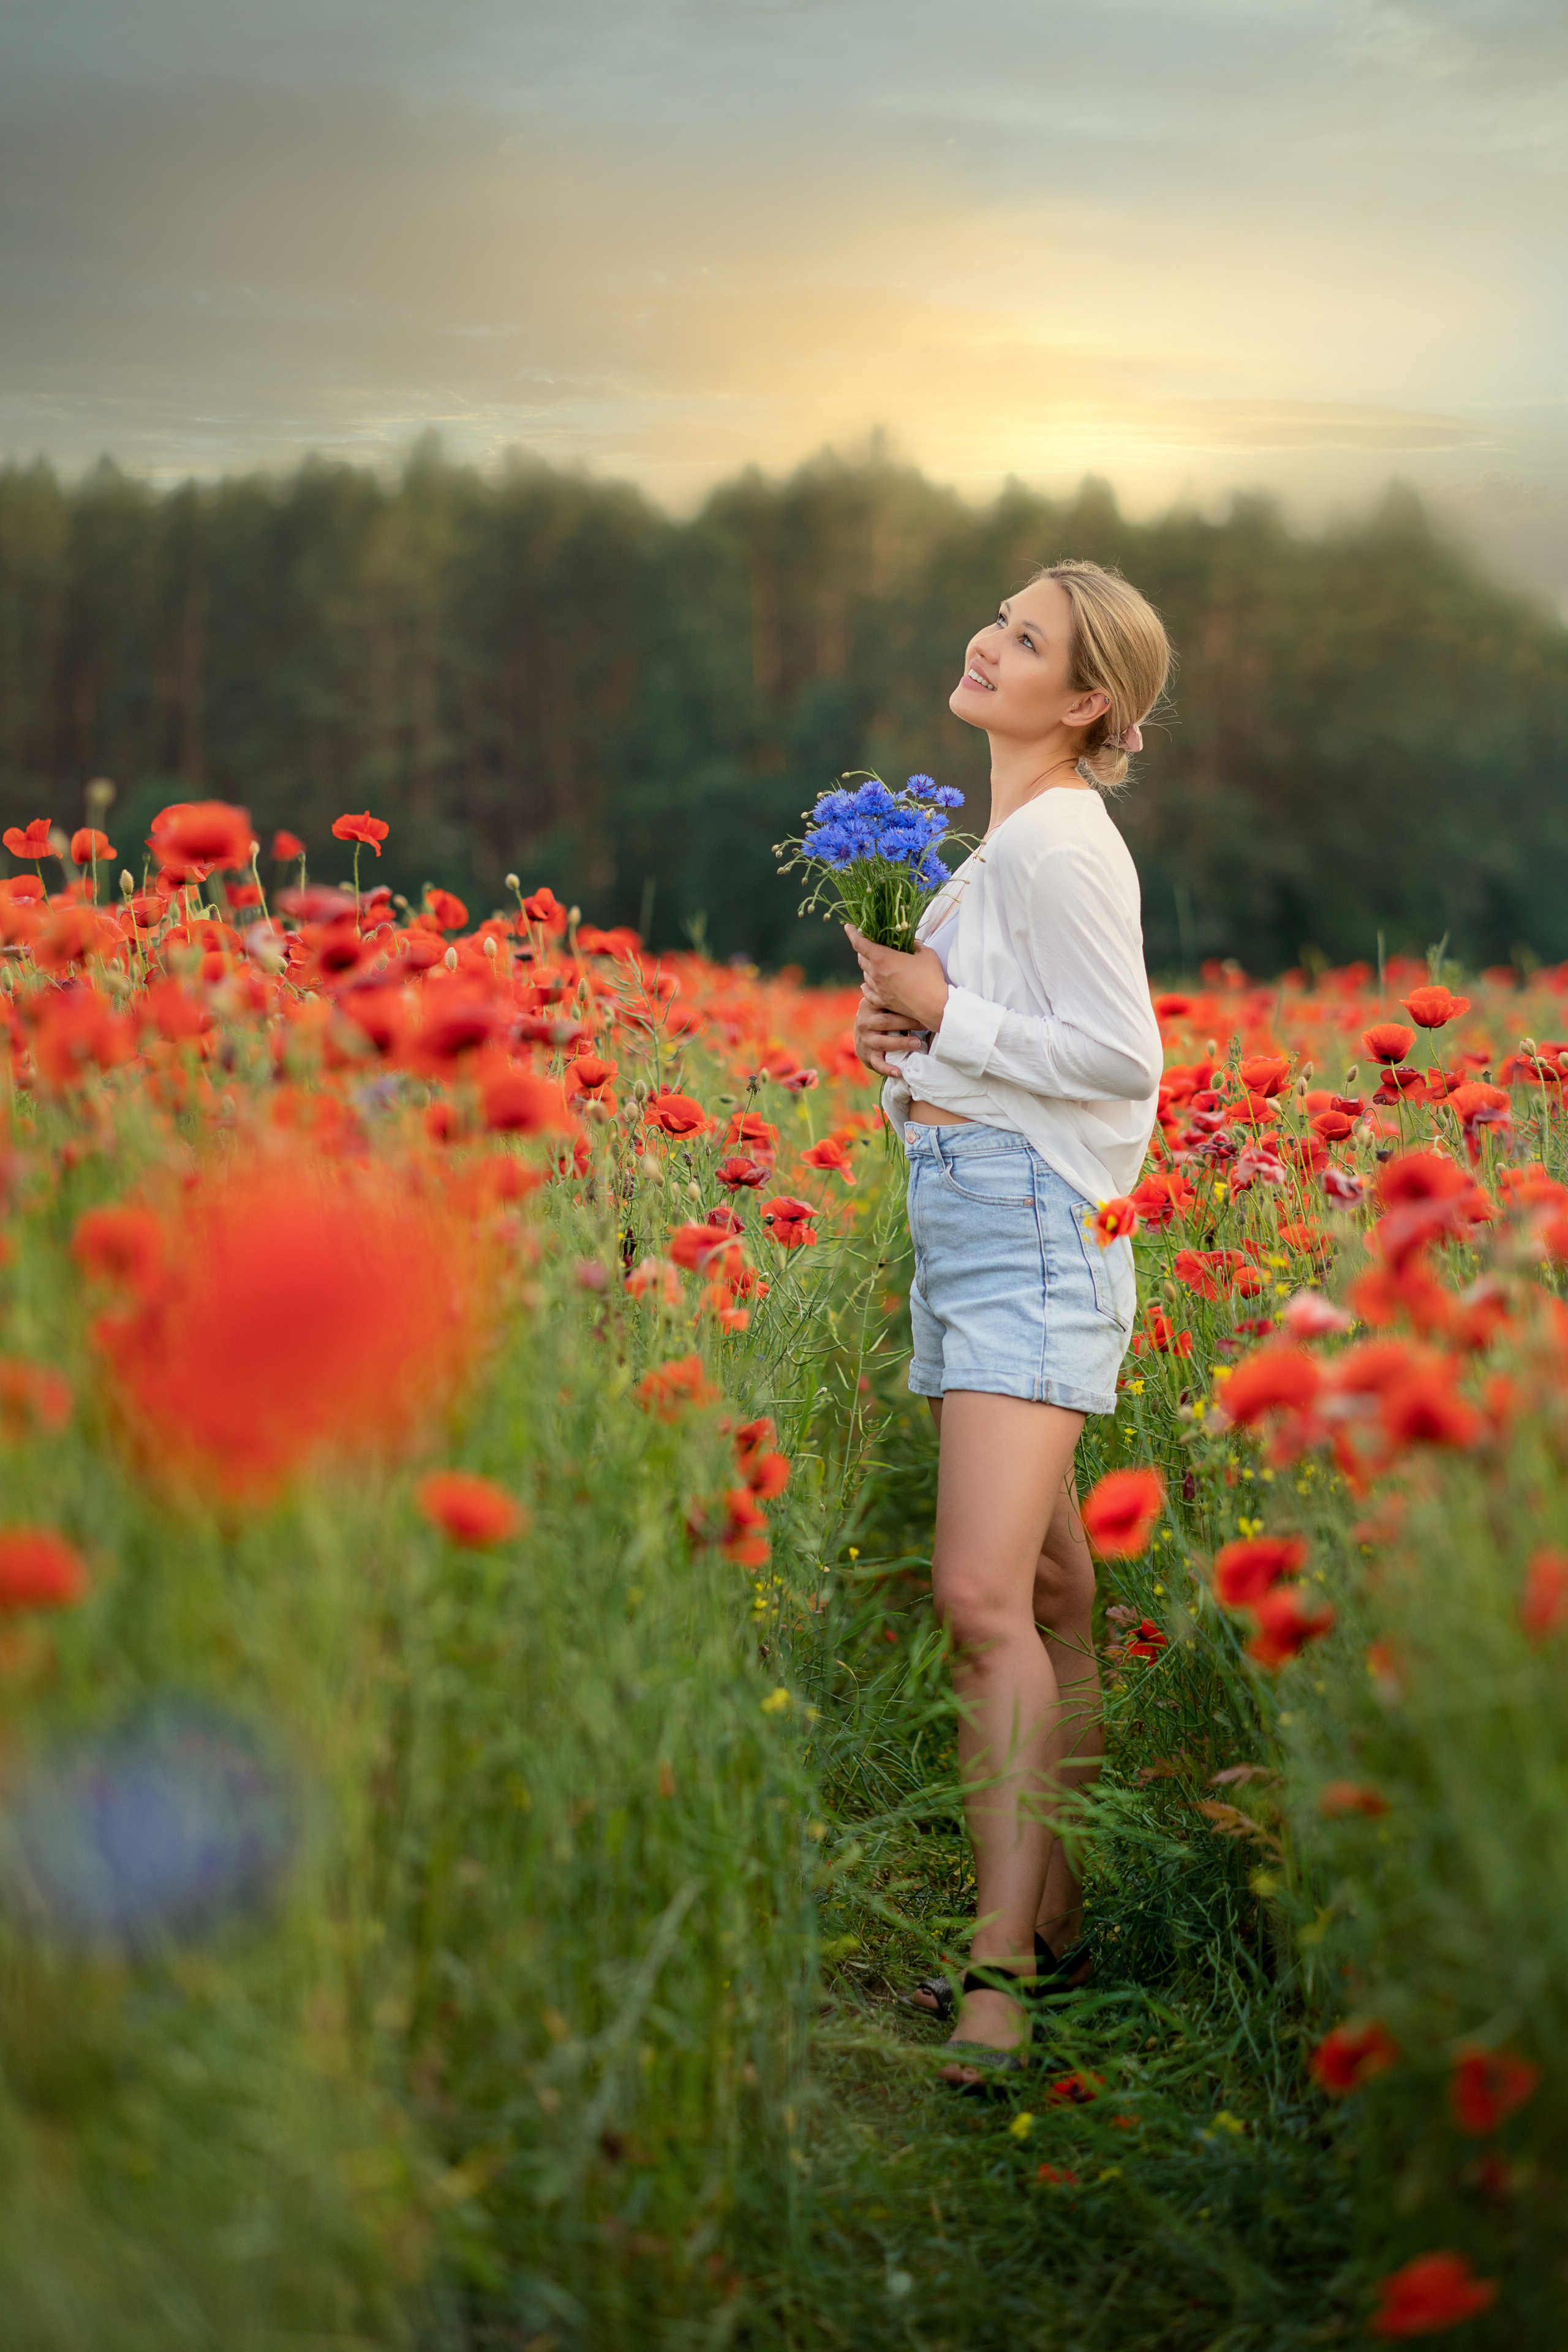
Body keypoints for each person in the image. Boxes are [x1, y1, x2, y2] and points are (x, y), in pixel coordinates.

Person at [849, 559, 1171, 2088]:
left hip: (1030, 1240)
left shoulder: (1057, 847)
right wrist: (902, 1041)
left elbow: (1119, 1060)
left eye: (1028, 640)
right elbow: (993, 1049)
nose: (988, 642)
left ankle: (994, 1981)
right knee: (1046, 1598)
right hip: (987, 1225)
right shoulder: (999, 857)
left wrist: (942, 1009)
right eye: (997, 618)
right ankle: (1054, 1930)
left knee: (979, 1605)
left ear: (1085, 699)